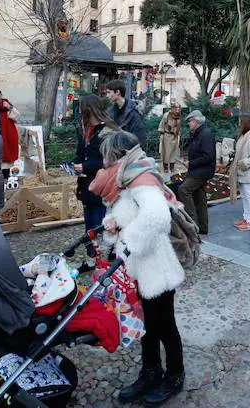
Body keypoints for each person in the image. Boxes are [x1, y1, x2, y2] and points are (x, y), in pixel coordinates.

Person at [90, 131, 186, 403]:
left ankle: (175, 375)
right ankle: (151, 370)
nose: (104, 162)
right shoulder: (128, 179)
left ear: (117, 154)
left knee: (164, 326)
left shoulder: (140, 180)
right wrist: (115, 226)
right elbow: (130, 216)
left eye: (107, 155)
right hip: (138, 270)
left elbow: (157, 217)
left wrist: (129, 241)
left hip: (155, 270)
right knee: (147, 326)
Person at [74, 95, 121, 232]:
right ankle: (91, 246)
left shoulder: (108, 130)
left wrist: (86, 166)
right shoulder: (85, 128)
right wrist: (76, 164)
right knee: (88, 218)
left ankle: (98, 247)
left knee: (98, 221)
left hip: (102, 182)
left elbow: (111, 160)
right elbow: (81, 153)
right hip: (86, 181)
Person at [178, 110, 215, 235]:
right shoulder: (198, 133)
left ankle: (193, 223)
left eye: (190, 121)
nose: (188, 123)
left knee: (184, 189)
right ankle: (203, 227)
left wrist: (191, 163)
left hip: (201, 171)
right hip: (198, 170)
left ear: (196, 121)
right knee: (200, 197)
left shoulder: (205, 134)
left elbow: (208, 156)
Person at [230, 116, 250, 231]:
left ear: (245, 124)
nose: (238, 124)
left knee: (249, 196)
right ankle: (246, 217)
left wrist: (241, 163)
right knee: (244, 196)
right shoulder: (244, 136)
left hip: (247, 173)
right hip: (242, 172)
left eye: (240, 122)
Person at [105, 79, 147, 144]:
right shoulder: (110, 111)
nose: (107, 96)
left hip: (130, 151)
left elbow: (140, 136)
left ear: (117, 92)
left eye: (109, 92)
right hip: (114, 150)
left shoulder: (134, 112)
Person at [158, 106, 181, 174]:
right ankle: (165, 167)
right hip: (167, 136)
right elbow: (162, 125)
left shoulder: (178, 116)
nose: (177, 110)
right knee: (166, 153)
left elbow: (179, 126)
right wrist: (162, 134)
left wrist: (178, 134)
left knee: (173, 153)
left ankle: (172, 167)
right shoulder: (166, 115)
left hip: (175, 136)